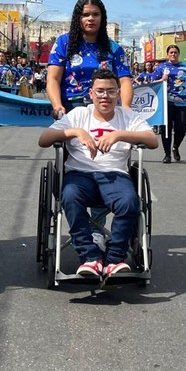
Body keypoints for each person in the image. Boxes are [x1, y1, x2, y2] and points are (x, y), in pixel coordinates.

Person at [38, 68, 158, 277]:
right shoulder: (78, 115)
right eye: (100, 91)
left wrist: (118, 135)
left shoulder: (127, 117)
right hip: (80, 175)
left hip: (115, 176)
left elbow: (152, 141)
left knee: (129, 202)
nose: (105, 96)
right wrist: (76, 132)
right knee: (69, 196)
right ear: (91, 93)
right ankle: (90, 258)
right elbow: (44, 139)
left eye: (111, 91)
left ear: (119, 94)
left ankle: (114, 260)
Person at [46, 0, 133, 117]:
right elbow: (53, 79)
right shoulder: (63, 43)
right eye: (85, 14)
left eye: (96, 14)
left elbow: (124, 81)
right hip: (71, 109)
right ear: (78, 18)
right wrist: (57, 106)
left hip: (105, 110)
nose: (91, 18)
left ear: (102, 18)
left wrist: (126, 108)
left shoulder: (114, 48)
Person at [152, 44, 186, 163]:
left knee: (181, 128)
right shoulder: (162, 67)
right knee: (166, 129)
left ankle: (175, 146)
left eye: (175, 52)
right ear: (168, 54)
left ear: (178, 54)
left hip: (182, 103)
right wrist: (163, 79)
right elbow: (152, 81)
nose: (173, 54)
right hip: (166, 103)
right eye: (171, 52)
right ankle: (167, 154)